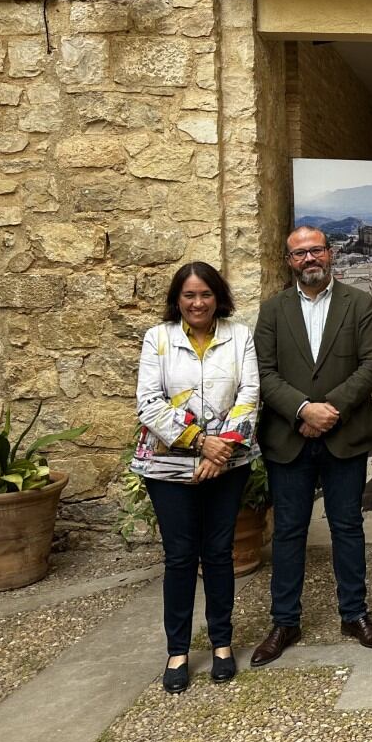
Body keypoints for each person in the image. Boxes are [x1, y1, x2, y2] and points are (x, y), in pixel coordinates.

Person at [250, 226, 372, 666]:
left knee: (347, 527)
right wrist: (302, 411)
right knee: (289, 531)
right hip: (288, 437)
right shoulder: (272, 311)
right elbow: (264, 371)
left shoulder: (359, 303)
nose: (309, 259)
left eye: (316, 250)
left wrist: (329, 409)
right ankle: (284, 621)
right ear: (289, 261)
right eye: (299, 253)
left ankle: (354, 614)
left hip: (344, 433)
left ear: (330, 254)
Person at [134, 261, 260, 693]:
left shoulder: (239, 336)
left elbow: (249, 394)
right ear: (178, 299)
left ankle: (222, 643)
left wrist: (221, 449)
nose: (198, 302)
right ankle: (178, 651)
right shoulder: (158, 338)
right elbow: (149, 403)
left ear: (217, 296)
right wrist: (201, 442)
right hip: (168, 468)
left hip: (227, 463)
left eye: (205, 294)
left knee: (220, 553)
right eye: (189, 295)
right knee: (181, 556)